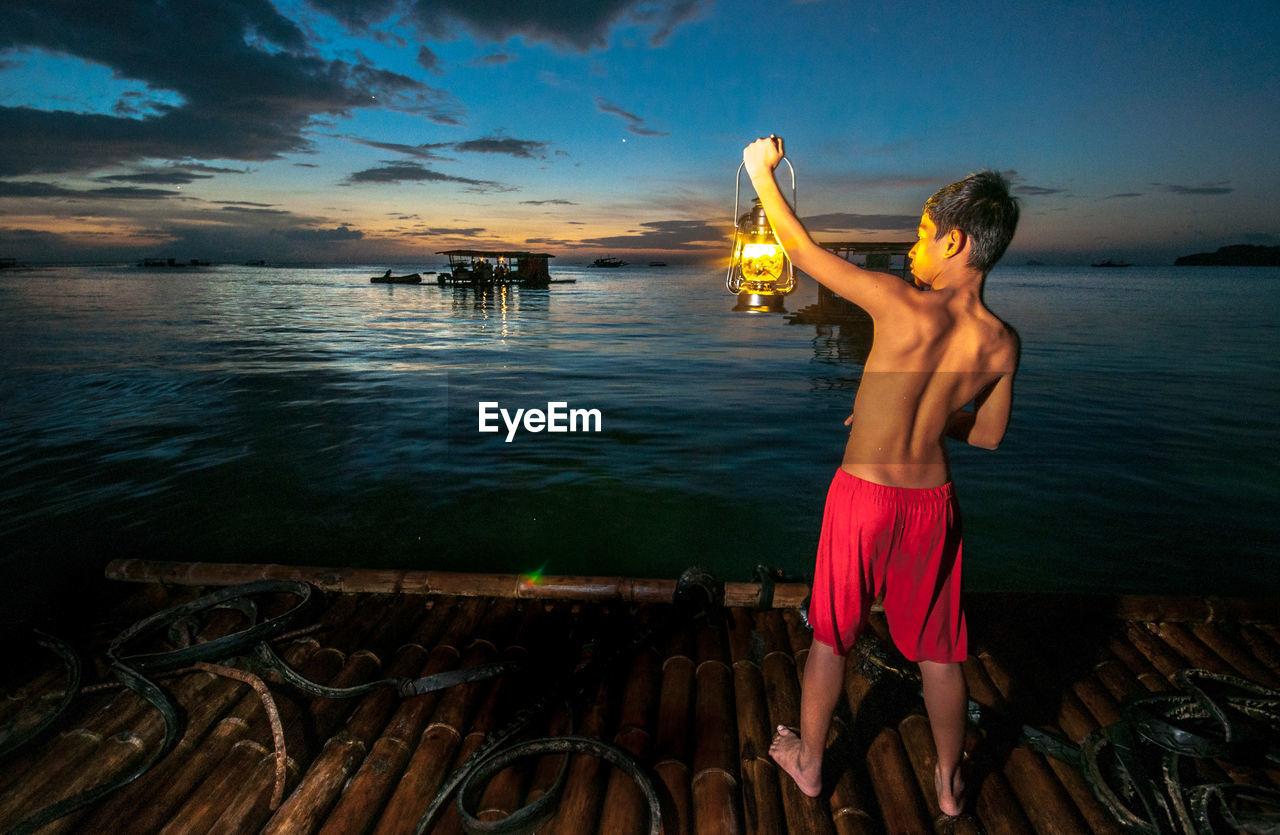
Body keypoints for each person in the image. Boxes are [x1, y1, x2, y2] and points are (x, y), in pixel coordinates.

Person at [743, 135, 1020, 817]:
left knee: (834, 635)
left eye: (924, 236)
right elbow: (986, 434)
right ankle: (950, 784)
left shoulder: (901, 302)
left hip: (863, 499)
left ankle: (809, 761)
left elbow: (802, 253)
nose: (914, 247)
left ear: (956, 243)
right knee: (939, 652)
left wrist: (760, 174)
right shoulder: (1002, 341)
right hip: (932, 504)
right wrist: (918, 419)